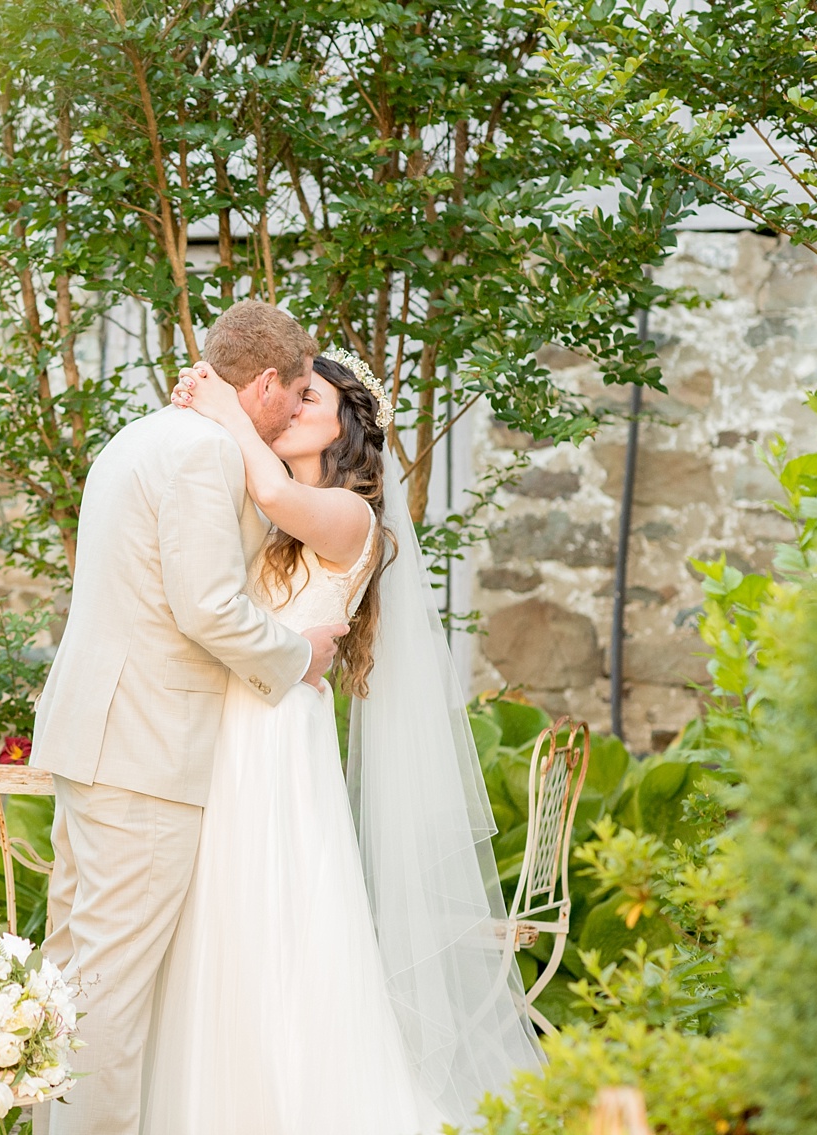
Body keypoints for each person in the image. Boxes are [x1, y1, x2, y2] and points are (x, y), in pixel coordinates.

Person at [141, 353, 543, 1133]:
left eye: (308, 396)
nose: (289, 407)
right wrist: (204, 413)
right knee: (221, 921)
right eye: (287, 395)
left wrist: (226, 403)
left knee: (276, 915)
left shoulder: (354, 517)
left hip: (278, 737)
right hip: (231, 722)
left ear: (347, 424)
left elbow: (271, 487)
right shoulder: (271, 517)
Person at [31, 301, 349, 1135]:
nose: (299, 407)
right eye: (300, 389)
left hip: (94, 735)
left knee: (71, 973)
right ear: (269, 383)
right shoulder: (204, 451)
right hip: (144, 748)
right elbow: (207, 608)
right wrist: (298, 655)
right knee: (110, 990)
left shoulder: (143, 436)